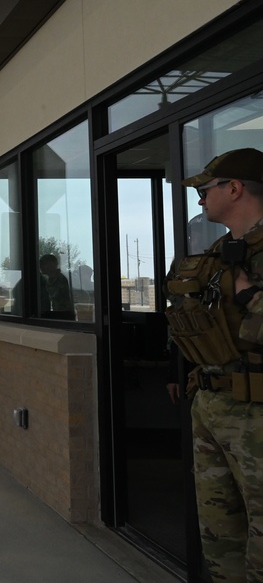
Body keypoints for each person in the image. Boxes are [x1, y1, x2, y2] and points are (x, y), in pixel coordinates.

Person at [169, 148, 263, 581]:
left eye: (205, 190)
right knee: (219, 537)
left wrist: (246, 292)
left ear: (235, 188)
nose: (200, 199)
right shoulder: (219, 251)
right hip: (212, 403)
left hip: (256, 415)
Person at [39, 253, 73, 319]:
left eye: (43, 264)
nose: (41, 267)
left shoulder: (60, 279)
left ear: (52, 265)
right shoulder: (50, 280)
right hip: (58, 314)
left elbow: (57, 297)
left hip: (64, 315)